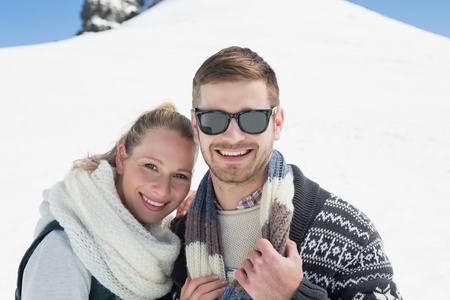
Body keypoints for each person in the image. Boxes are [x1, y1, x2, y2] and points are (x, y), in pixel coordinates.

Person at [170, 46, 403, 300]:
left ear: (277, 123)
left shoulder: (348, 234)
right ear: (196, 125)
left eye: (252, 119)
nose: (233, 136)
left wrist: (293, 296)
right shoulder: (175, 242)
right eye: (214, 119)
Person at [16, 103, 198, 300]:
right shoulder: (62, 248)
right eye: (150, 166)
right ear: (121, 159)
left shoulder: (161, 248)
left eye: (180, 176)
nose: (162, 189)